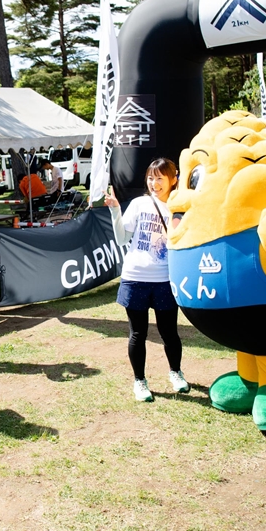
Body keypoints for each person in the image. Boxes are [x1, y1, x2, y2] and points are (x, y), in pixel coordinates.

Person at [104, 158, 188, 402]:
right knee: (137, 333)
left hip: (165, 279)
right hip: (135, 278)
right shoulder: (139, 204)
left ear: (174, 179)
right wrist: (115, 209)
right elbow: (122, 239)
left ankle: (176, 373)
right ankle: (139, 381)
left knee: (169, 332)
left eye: (160, 178)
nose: (154, 183)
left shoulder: (180, 207)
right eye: (151, 178)